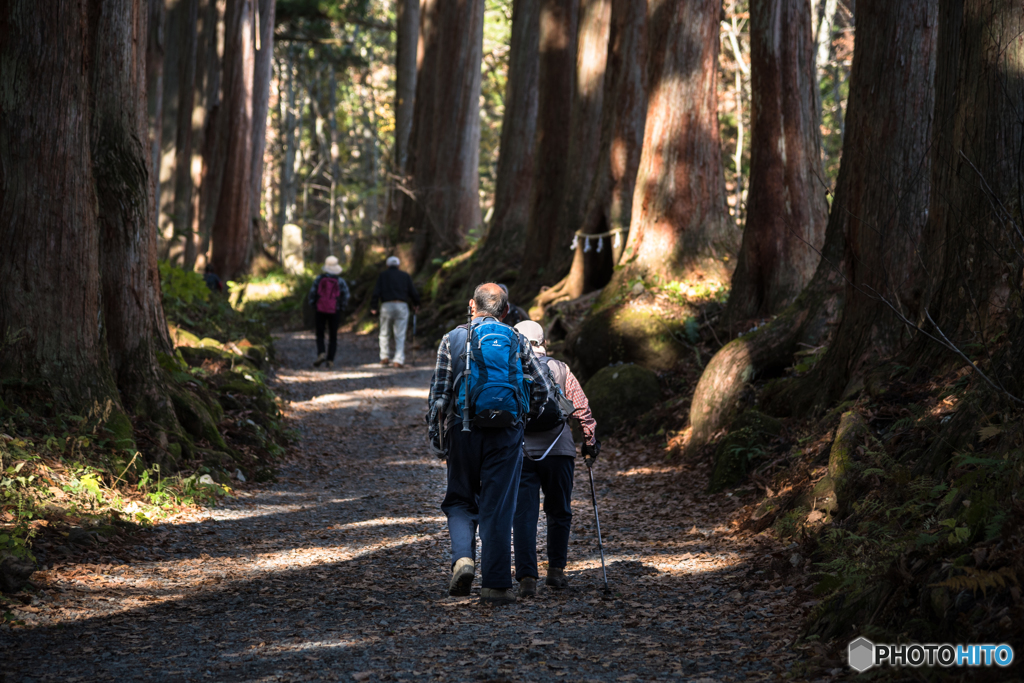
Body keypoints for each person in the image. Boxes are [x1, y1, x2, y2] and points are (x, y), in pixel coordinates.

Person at [427, 283, 553, 605]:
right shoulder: (518, 338)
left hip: (462, 429)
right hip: (506, 434)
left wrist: (439, 443)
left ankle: (463, 560)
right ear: (506, 311)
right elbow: (543, 388)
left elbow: (439, 398)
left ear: (472, 305)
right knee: (498, 506)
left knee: (459, 500)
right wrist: (524, 417)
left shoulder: (452, 339)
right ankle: (496, 585)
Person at [511, 320, 600, 597]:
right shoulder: (561, 369)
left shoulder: (512, 369)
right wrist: (590, 443)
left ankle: (527, 577)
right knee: (559, 511)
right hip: (559, 451)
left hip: (522, 451)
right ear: (544, 343)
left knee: (524, 515)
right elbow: (581, 409)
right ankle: (556, 572)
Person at [370, 256, 420, 369]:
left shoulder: (383, 276)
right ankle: (398, 360)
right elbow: (413, 292)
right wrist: (416, 304)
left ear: (387, 265)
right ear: (398, 265)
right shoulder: (405, 276)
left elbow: (376, 291)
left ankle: (384, 357)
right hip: (401, 305)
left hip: (386, 305)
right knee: (400, 334)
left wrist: (374, 306)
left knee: (384, 333)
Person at [307, 256, 350, 369]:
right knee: (333, 336)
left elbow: (312, 294)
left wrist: (313, 305)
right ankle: (330, 360)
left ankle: (321, 353)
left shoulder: (319, 279)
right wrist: (341, 307)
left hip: (320, 309)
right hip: (334, 310)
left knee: (320, 333)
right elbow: (346, 295)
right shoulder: (340, 281)